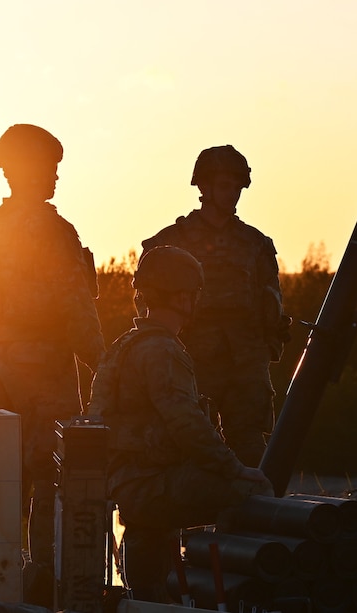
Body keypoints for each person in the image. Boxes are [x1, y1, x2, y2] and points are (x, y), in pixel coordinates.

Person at [0, 123, 106, 603]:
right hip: (45, 366)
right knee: (53, 473)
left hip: (1, 367)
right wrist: (106, 366)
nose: (56, 178)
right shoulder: (53, 231)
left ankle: (1, 577)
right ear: (29, 169)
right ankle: (44, 577)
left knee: (5, 473)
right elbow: (76, 309)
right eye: (52, 168)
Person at [87, 245, 273, 602]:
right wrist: (235, 469)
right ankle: (233, 593)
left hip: (128, 483)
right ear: (184, 297)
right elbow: (187, 425)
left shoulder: (123, 345)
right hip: (150, 486)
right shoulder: (162, 350)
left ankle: (155, 590)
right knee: (254, 495)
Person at [140, 145, 289, 467]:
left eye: (237, 186)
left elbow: (272, 301)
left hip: (246, 363)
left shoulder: (256, 243)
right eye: (224, 185)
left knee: (250, 450)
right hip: (191, 359)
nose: (232, 193)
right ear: (204, 187)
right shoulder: (171, 242)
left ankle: (250, 517)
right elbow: (146, 304)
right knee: (186, 449)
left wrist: (267, 344)